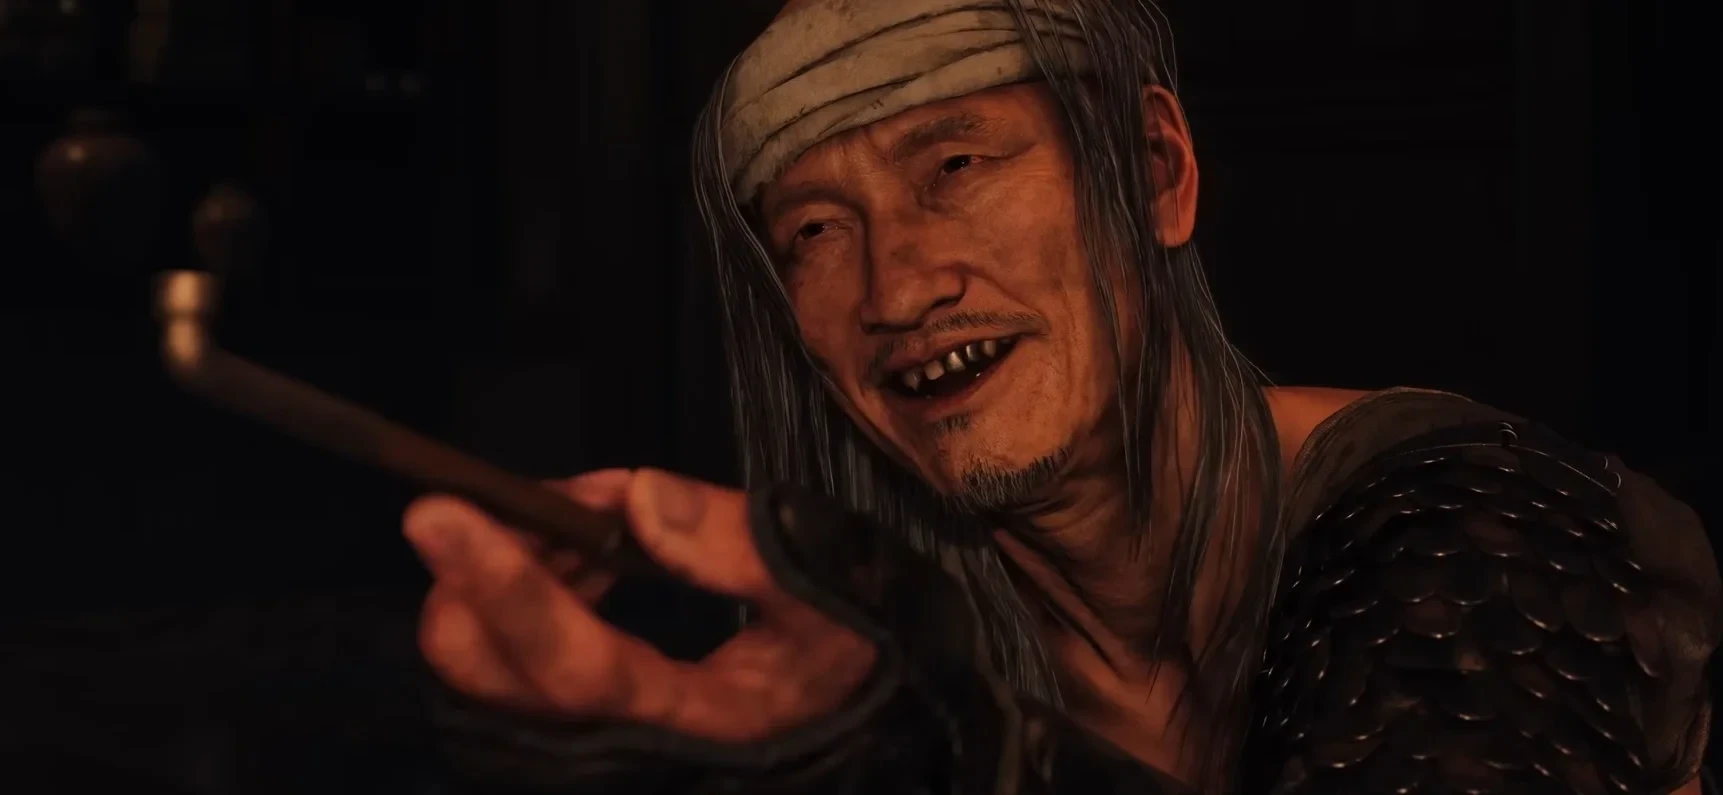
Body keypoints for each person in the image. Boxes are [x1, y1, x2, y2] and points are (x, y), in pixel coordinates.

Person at [400, 1, 1721, 792]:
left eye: (956, 166)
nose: (898, 286)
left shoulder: (1460, 517)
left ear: (1155, 173)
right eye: (814, 231)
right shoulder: (922, 647)